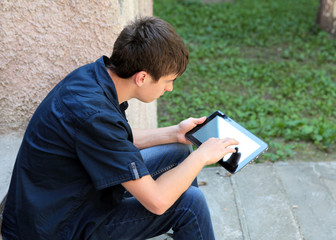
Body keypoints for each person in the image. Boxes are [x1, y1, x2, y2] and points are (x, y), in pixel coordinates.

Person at [1, 17, 238, 240]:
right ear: (142, 78)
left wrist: (174, 132)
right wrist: (202, 156)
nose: (170, 89)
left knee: (177, 152)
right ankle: (185, 224)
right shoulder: (93, 115)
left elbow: (114, 142)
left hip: (65, 198)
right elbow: (157, 201)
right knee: (190, 204)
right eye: (168, 80)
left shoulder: (93, 77)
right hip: (59, 226)